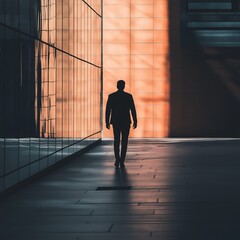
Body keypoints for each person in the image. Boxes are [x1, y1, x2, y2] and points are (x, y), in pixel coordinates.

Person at [105, 80, 137, 168]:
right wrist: (135, 120)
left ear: (117, 86)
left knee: (116, 140)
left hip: (116, 121)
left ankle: (117, 159)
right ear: (124, 86)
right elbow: (132, 109)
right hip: (126, 121)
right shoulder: (128, 96)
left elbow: (108, 110)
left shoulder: (112, 96)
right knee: (124, 141)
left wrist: (107, 121)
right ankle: (122, 160)